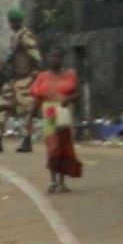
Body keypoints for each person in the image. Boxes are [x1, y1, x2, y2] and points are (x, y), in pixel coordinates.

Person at [0, 8, 42, 154]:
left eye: (15, 21)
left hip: (24, 78)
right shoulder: (15, 37)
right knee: (2, 108)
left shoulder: (26, 36)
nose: (12, 24)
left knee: (26, 110)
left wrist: (33, 76)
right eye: (11, 21)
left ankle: (26, 140)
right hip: (12, 78)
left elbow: (36, 57)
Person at [33, 53, 85, 194]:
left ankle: (61, 182)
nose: (55, 59)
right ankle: (52, 180)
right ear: (48, 59)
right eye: (52, 56)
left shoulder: (70, 75)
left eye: (58, 56)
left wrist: (67, 99)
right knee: (52, 146)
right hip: (49, 113)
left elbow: (78, 93)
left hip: (64, 113)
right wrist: (30, 116)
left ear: (62, 59)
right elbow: (37, 98)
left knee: (64, 146)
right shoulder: (42, 77)